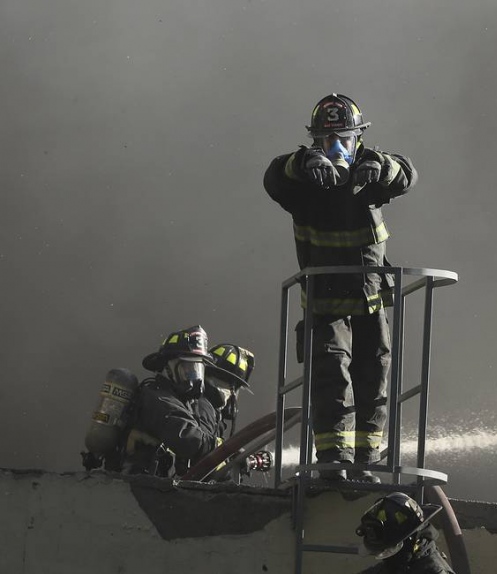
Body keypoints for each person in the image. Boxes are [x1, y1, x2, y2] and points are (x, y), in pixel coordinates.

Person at [263, 93, 417, 483]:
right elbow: (274, 177)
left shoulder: (371, 174)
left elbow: (407, 174)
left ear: (358, 139)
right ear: (313, 142)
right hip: (325, 303)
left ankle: (366, 462)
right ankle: (334, 461)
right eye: (325, 141)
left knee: (374, 374)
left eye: (343, 140)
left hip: (370, 300)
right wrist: (304, 164)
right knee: (332, 376)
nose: (335, 149)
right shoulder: (302, 185)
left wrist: (381, 166)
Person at [122, 325, 248, 477]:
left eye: (196, 369)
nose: (193, 376)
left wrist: (228, 454)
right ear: (167, 367)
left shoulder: (181, 402)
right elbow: (189, 440)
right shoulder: (157, 398)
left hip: (153, 486)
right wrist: (225, 449)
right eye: (188, 368)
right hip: (131, 486)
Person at [356, 492, 455, 574]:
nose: (386, 558)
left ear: (410, 541)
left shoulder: (433, 570)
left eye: (387, 552)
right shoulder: (400, 565)